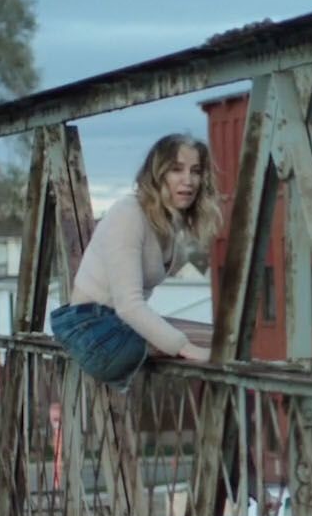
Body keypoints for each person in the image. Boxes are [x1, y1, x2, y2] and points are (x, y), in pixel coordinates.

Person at [50, 134, 219, 386]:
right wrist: (185, 348)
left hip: (116, 325)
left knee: (222, 340)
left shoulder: (167, 222)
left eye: (195, 171)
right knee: (217, 345)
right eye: (176, 169)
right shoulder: (129, 214)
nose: (188, 180)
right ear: (156, 175)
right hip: (93, 333)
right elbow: (129, 306)